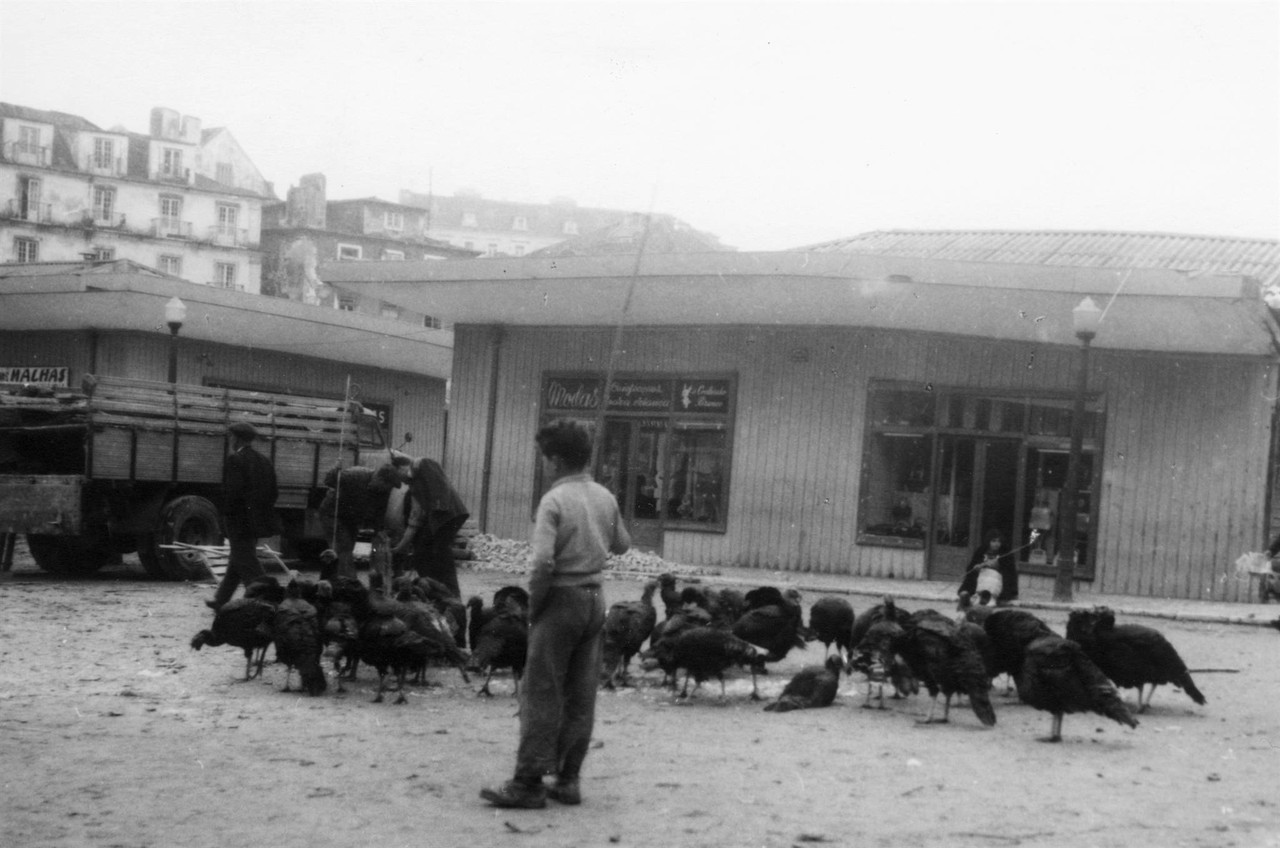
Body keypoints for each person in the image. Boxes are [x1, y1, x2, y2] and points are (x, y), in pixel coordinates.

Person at [480, 419, 630, 810]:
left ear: (557, 459)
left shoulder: (553, 500)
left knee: (541, 690)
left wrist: (536, 604)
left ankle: (528, 782)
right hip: (595, 598)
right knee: (581, 694)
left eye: (545, 458)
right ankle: (568, 779)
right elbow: (623, 546)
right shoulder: (604, 496)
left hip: (561, 597)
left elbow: (542, 562)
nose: (544, 465)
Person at [207, 422, 279, 610]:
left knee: (246, 561)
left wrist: (226, 515)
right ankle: (221, 599)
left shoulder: (235, 460)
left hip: (238, 519)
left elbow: (233, 493)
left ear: (236, 438)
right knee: (238, 557)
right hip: (256, 519)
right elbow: (273, 492)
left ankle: (264, 599)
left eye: (230, 437)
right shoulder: (264, 460)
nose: (230, 440)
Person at [388, 451, 469, 599]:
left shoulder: (421, 463)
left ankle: (451, 593)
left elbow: (439, 487)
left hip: (448, 514)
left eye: (398, 477)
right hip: (439, 518)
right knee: (427, 553)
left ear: (401, 468)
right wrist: (401, 547)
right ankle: (435, 589)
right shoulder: (413, 489)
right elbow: (414, 522)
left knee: (441, 552)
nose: (402, 483)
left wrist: (438, 508)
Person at [316, 462, 402, 581]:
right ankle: (350, 582)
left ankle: (334, 579)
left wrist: (378, 532)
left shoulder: (383, 492)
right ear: (380, 478)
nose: (389, 489)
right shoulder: (355, 475)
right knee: (343, 546)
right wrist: (335, 470)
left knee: (348, 548)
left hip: (351, 518)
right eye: (389, 486)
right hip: (332, 514)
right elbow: (329, 480)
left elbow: (379, 514)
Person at [958, 528, 1018, 606]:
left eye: (999, 541)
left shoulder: (1005, 552)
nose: (997, 544)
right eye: (994, 541)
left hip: (997, 579)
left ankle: (992, 598)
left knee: (992, 575)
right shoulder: (981, 550)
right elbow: (971, 567)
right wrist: (977, 567)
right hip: (982, 577)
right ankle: (978, 595)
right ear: (988, 541)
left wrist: (997, 566)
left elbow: (1010, 571)